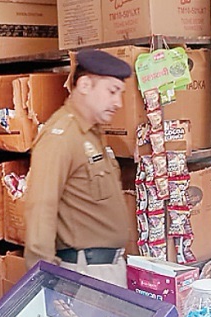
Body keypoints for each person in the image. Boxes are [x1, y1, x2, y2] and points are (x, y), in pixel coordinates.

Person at [24, 49, 131, 287]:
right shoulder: (61, 137)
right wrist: (44, 280)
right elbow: (41, 207)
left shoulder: (91, 135)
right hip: (85, 271)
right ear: (84, 85)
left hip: (104, 269)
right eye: (112, 91)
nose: (118, 103)